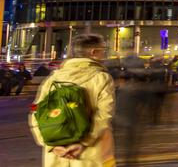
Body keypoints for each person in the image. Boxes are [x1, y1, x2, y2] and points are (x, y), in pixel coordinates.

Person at [30, 34, 115, 166]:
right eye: (103, 49)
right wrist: (84, 143)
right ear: (93, 52)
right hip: (88, 154)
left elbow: (36, 113)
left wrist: (51, 145)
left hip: (57, 154)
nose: (104, 53)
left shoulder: (52, 79)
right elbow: (104, 115)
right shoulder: (102, 78)